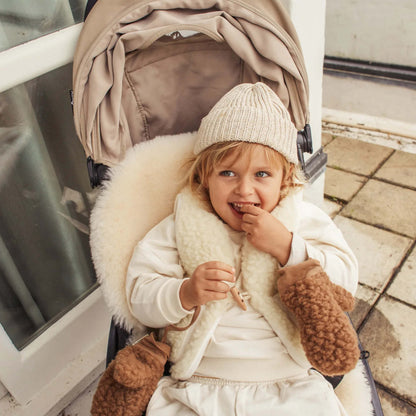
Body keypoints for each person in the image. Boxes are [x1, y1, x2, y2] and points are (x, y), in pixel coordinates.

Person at [125, 82, 358, 415]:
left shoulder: (301, 220)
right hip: (198, 386)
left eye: (262, 174)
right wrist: (185, 292)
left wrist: (289, 248)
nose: (244, 189)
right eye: (228, 173)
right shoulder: (182, 224)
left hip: (290, 384)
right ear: (205, 176)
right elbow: (139, 294)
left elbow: (346, 282)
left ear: (286, 178)